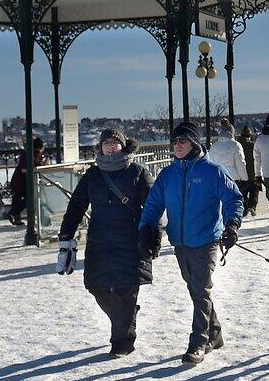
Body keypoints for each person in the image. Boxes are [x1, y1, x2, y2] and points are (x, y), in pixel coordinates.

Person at [138, 122, 242, 365]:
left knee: (200, 288)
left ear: (194, 143)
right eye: (174, 142)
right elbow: (153, 204)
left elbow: (232, 198)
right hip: (180, 241)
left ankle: (199, 341)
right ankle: (214, 333)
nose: (177, 146)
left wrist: (232, 225)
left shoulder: (213, 171)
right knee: (195, 289)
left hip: (206, 240)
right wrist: (146, 228)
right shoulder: (168, 174)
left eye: (182, 141)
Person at [57, 129, 154, 358]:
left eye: (114, 143)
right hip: (100, 239)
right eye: (106, 143)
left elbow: (152, 208)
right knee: (95, 286)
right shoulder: (93, 175)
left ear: (123, 145)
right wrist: (66, 233)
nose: (110, 147)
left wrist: (152, 237)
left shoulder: (138, 173)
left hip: (130, 240)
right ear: (100, 147)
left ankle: (122, 342)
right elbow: (77, 205)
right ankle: (126, 316)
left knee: (125, 290)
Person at [208, 119, 250, 213]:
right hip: (234, 178)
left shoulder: (214, 146)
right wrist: (244, 179)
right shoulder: (236, 145)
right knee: (233, 202)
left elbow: (210, 163)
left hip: (218, 178)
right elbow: (241, 164)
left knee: (221, 203)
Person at [3, 137, 45, 226]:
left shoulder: (31, 153)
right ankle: (14, 214)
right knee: (26, 199)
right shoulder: (29, 154)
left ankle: (15, 217)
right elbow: (30, 165)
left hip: (20, 181)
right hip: (22, 181)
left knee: (18, 200)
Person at [235, 125, 260, 218]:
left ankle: (244, 210)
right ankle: (252, 206)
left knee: (243, 193)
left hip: (240, 175)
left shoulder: (237, 145)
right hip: (252, 173)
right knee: (254, 191)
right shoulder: (252, 145)